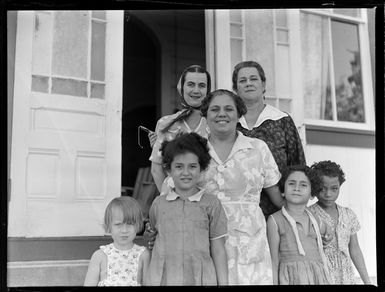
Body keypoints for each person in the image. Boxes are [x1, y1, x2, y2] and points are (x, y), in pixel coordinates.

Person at [200, 89, 284, 285]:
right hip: (205, 240)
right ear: (205, 115)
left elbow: (277, 198)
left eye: (229, 109)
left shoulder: (258, 148)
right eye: (215, 109)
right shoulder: (194, 149)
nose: (222, 114)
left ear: (239, 114)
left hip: (250, 241)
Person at [146, 132, 228, 285]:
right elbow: (152, 239)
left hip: (200, 278)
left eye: (192, 166)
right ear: (168, 170)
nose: (185, 172)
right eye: (178, 166)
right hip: (164, 278)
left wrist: (223, 282)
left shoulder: (211, 204)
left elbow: (218, 249)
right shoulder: (158, 204)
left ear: (202, 169)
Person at [232, 61, 306, 219]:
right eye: (242, 80)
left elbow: (298, 165)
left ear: (263, 84)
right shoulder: (230, 123)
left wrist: (295, 206)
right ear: (235, 88)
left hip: (278, 211)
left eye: (254, 79)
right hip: (239, 212)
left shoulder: (282, 120)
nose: (249, 84)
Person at [266, 165, 332, 285]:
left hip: (317, 276)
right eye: (291, 183)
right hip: (290, 278)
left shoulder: (314, 218)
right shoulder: (275, 220)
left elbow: (328, 230)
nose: (296, 188)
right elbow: (274, 260)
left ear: (312, 193)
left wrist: (328, 235)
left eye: (303, 185)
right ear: (282, 190)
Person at [150, 65, 211, 191]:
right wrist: (168, 199)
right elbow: (157, 169)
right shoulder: (166, 123)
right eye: (190, 84)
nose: (196, 90)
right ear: (182, 88)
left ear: (208, 90)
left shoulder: (214, 123)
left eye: (201, 85)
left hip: (209, 199)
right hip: (175, 198)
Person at [309, 160, 371, 284]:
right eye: (322, 189)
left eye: (334, 189)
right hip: (321, 276)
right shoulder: (309, 215)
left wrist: (367, 281)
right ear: (314, 188)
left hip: (347, 277)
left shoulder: (348, 214)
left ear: (340, 186)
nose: (328, 194)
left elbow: (355, 249)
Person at [84, 196, 150, 286]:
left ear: (138, 225)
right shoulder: (100, 255)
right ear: (108, 226)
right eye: (118, 224)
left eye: (130, 224)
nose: (124, 230)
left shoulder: (143, 255)